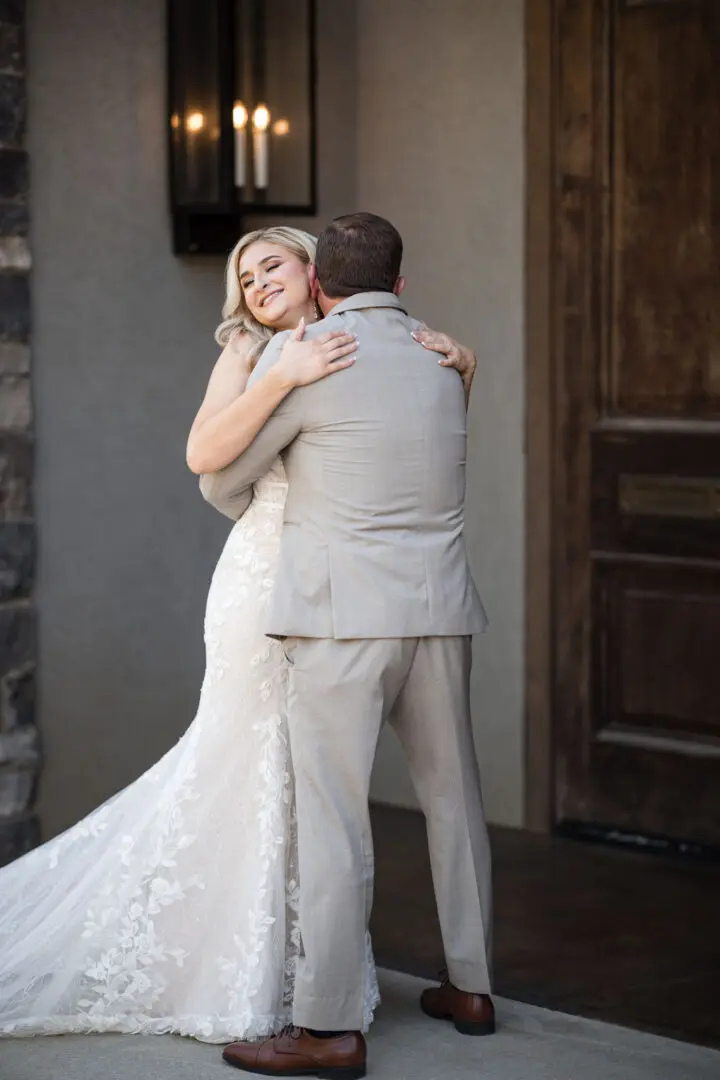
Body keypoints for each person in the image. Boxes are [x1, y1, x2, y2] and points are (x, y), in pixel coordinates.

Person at [0, 225, 476, 1044]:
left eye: (271, 267)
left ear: (315, 272)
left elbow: (365, 457)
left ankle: (303, 976)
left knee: (311, 794)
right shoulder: (263, 355)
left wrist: (463, 368)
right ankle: (243, 956)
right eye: (244, 277)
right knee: (257, 767)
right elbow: (207, 462)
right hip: (272, 587)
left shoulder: (370, 348)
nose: (257, 285)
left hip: (333, 594)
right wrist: (276, 374)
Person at [201, 213, 493, 1080]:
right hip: (438, 611)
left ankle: (327, 1028)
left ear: (321, 284)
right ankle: (473, 989)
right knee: (456, 802)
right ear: (399, 286)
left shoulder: (315, 361)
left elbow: (221, 479)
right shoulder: (447, 361)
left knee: (333, 816)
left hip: (339, 621)